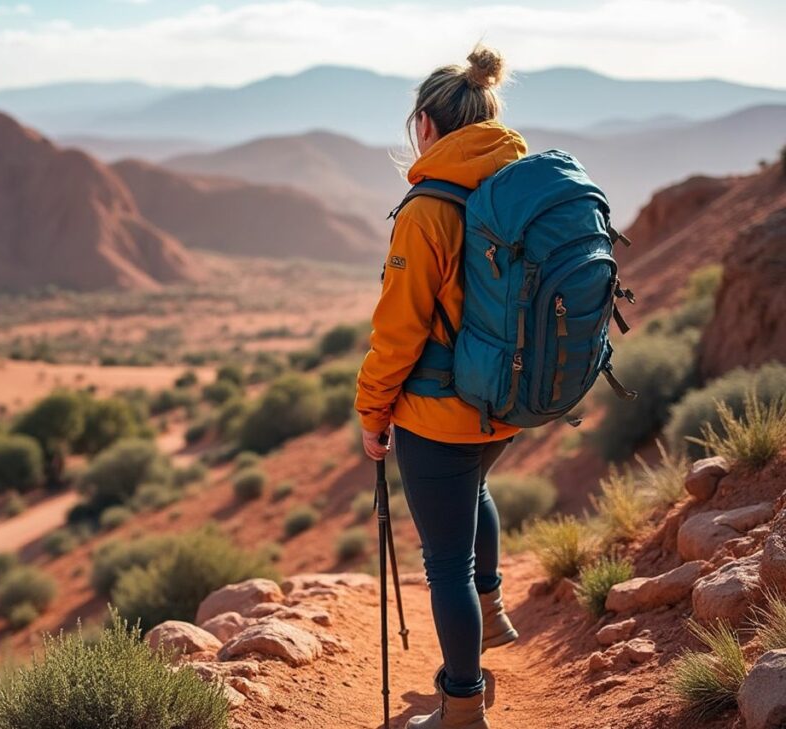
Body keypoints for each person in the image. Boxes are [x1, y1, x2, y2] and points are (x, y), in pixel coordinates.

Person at [355, 44, 525, 729]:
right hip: (507, 402)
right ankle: (492, 609)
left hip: (439, 412)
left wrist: (372, 411)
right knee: (475, 489)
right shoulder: (513, 189)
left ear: (426, 125)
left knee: (443, 561)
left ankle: (462, 706)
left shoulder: (428, 209)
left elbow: (398, 332)